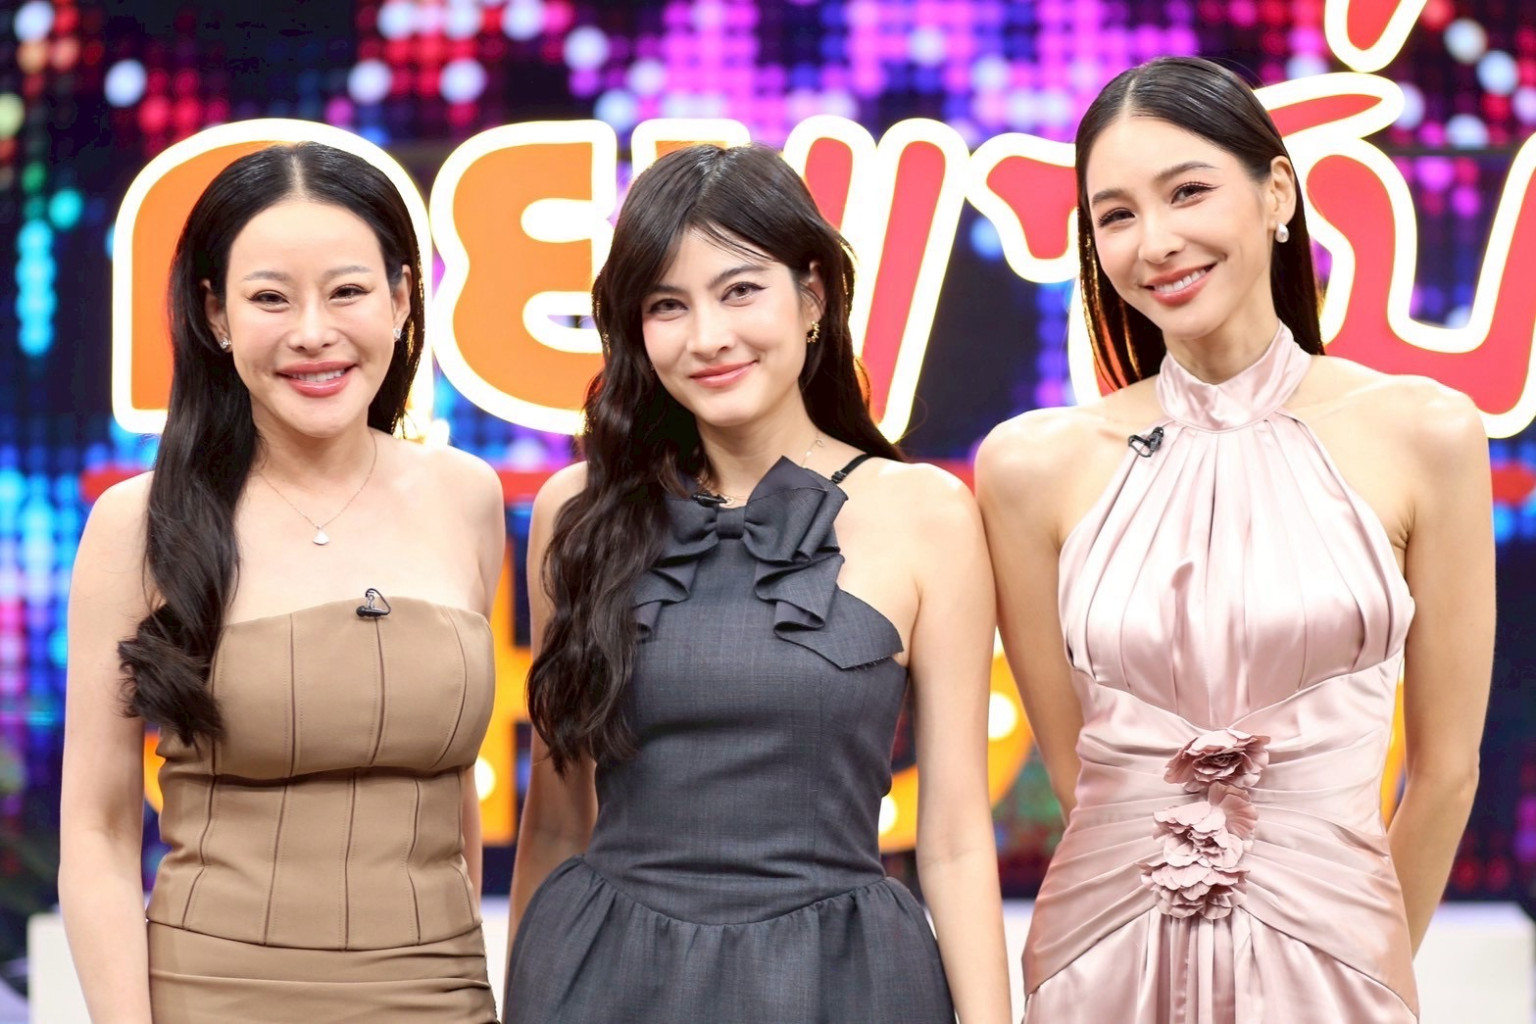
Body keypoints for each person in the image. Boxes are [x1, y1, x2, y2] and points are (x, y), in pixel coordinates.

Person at [976, 56, 1493, 1023]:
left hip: (1334, 965)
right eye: (1116, 215)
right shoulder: (1031, 466)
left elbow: (1446, 771)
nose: (1156, 242)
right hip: (1102, 960)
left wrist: (1368, 951)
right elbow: (1077, 775)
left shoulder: (1427, 433)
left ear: (1277, 193)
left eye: (1188, 192)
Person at [503, 143, 1011, 1023]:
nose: (708, 337)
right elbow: (553, 820)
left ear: (812, 297)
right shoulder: (577, 512)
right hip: (609, 977)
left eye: (740, 290)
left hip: (842, 981)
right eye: (668, 305)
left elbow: (958, 840)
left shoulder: (928, 513)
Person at [59, 142, 505, 1023]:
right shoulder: (139, 524)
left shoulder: (467, 498)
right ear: (215, 314)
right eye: (270, 298)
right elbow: (97, 833)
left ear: (401, 300)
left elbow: (453, 794)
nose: (312, 332)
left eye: (347, 291)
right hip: (211, 996)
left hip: (437, 994)